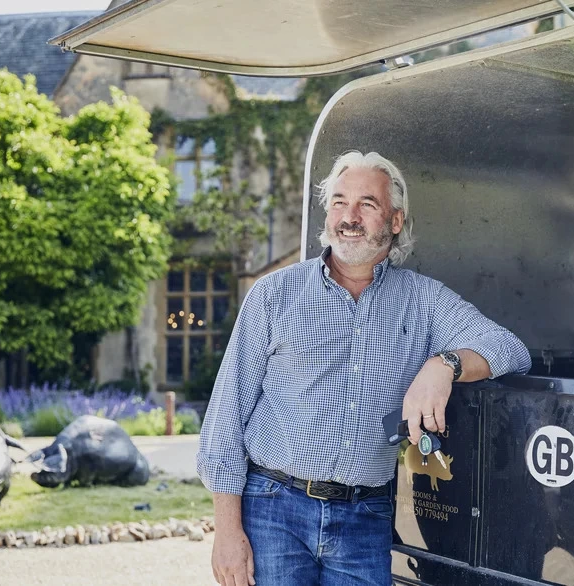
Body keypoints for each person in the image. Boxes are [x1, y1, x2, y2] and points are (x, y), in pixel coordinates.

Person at [197, 150, 532, 586]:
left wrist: (444, 363)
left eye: (366, 204)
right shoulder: (273, 295)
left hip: (366, 518)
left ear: (395, 221)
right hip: (272, 509)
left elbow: (511, 348)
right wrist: (226, 530)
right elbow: (226, 415)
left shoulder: (424, 300)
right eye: (339, 202)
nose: (348, 216)